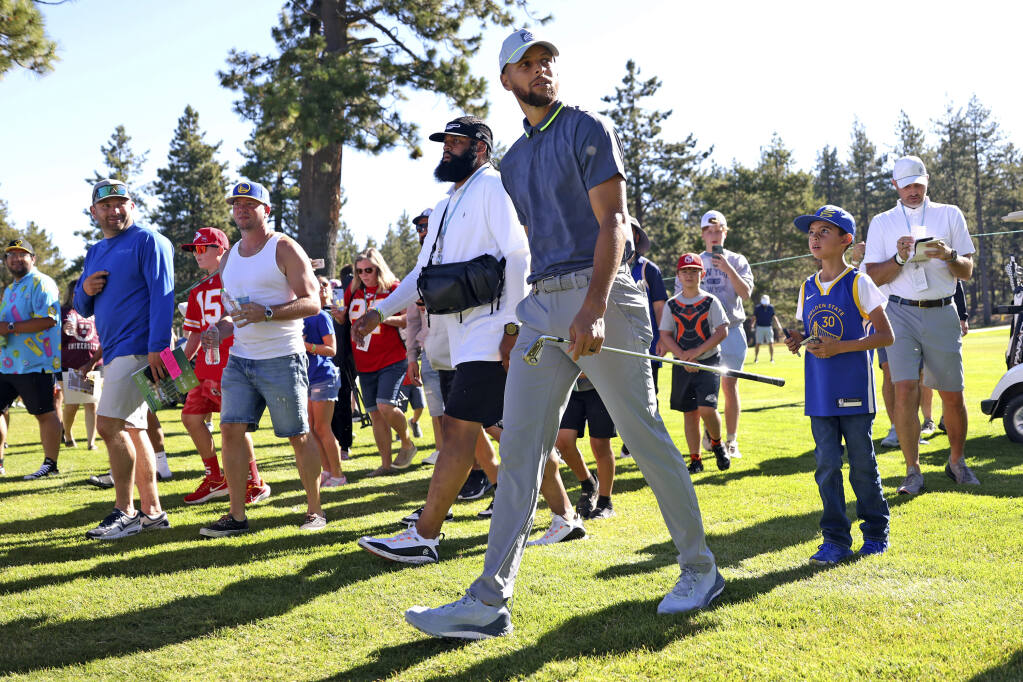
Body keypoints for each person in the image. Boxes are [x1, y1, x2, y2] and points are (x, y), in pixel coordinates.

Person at [401, 31, 722, 640]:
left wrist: (595, 306)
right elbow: (526, 248)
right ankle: (489, 599)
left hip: (603, 295)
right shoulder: (513, 162)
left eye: (547, 60)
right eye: (526, 64)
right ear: (507, 81)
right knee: (519, 450)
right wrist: (518, 317)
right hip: (541, 308)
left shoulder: (587, 128)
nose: (541, 70)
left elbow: (615, 222)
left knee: (642, 435)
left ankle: (699, 569)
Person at [354, 114, 536, 564]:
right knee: (504, 431)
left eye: (455, 143)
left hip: (491, 329)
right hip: (460, 332)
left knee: (459, 431)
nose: (445, 149)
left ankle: (425, 535)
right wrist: (380, 310)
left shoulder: (494, 187)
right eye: (444, 143)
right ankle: (566, 513)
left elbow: (518, 255)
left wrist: (515, 327)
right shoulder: (445, 203)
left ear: (480, 149)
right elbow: (422, 274)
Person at [198, 180, 325, 536]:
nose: (241, 209)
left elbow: (313, 302)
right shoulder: (230, 257)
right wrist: (218, 330)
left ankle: (315, 511)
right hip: (240, 359)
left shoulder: (283, 247)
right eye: (236, 204)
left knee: (298, 435)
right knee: (230, 430)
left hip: (282, 357)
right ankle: (237, 516)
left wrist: (267, 312)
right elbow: (234, 313)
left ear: (266, 210)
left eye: (249, 204)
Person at [784, 205, 893, 563]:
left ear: (845, 240)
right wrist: (799, 339)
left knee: (862, 465)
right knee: (827, 466)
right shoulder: (807, 287)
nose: (814, 238)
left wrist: (839, 348)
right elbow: (815, 331)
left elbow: (885, 335)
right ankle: (834, 539)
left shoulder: (859, 282)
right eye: (811, 232)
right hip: (819, 393)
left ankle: (875, 532)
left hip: (854, 392)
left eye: (823, 232)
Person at [863, 156, 978, 493]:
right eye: (907, 185)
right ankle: (912, 469)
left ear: (927, 182)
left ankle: (956, 461)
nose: (913, 191)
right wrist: (899, 258)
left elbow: (967, 271)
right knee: (903, 390)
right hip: (899, 311)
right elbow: (872, 276)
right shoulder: (882, 222)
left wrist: (950, 256)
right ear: (895, 185)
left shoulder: (949, 214)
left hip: (943, 309)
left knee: (952, 395)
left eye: (919, 184)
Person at [75, 179, 173, 539]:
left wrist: (158, 347)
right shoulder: (96, 250)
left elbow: (164, 296)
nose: (114, 210)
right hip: (115, 350)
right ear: (94, 212)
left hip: (139, 348)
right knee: (134, 428)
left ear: (132, 206)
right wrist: (83, 288)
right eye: (106, 205)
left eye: (121, 203)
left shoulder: (149, 240)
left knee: (108, 425)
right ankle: (152, 512)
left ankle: (125, 512)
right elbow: (83, 305)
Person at [178, 227, 270, 506]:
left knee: (233, 427)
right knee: (191, 418)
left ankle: (254, 482)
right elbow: (193, 335)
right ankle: (216, 477)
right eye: (194, 249)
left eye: (203, 247)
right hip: (204, 369)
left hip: (233, 365)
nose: (197, 254)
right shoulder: (197, 291)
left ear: (222, 250)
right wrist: (175, 370)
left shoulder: (239, 281)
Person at [338, 248, 415, 476]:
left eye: (368, 270)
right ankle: (385, 465)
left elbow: (407, 320)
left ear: (378, 268)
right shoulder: (353, 292)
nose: (363, 275)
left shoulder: (394, 289)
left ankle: (407, 441)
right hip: (363, 360)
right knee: (375, 414)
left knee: (385, 405)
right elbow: (349, 320)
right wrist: (341, 317)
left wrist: (380, 315)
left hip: (392, 358)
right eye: (359, 271)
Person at [659, 253, 730, 473]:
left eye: (694, 271)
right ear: (678, 275)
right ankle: (695, 459)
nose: (689, 275)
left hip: (708, 362)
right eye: (685, 271)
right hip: (683, 365)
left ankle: (717, 443)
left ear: (703, 274)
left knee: (707, 409)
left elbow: (722, 331)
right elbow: (665, 333)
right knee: (689, 413)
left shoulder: (710, 301)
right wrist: (683, 356)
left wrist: (697, 353)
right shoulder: (672, 304)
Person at [0, 238, 63, 480]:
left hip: (35, 362)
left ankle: (51, 465)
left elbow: (49, 319)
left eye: (22, 254)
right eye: (11, 255)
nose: (16, 258)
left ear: (33, 259)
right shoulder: (11, 289)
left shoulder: (42, 282)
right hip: (7, 364)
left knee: (44, 412)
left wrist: (11, 327)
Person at [696, 210, 753, 460]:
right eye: (709, 231)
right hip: (701, 334)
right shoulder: (695, 261)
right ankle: (710, 434)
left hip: (732, 331)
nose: (714, 236)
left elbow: (746, 293)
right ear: (702, 235)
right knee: (704, 389)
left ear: (725, 233)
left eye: (718, 230)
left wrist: (728, 268)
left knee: (730, 386)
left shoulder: (737, 260)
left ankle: (731, 440)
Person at [620, 216, 667, 458]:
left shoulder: (650, 269)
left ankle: (649, 442)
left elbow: (660, 307)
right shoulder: (609, 265)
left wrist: (662, 339)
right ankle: (630, 440)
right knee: (622, 394)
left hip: (647, 343)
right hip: (619, 343)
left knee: (649, 394)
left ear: (636, 236)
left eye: (629, 230)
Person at [554, 375, 617, 519]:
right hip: (569, 387)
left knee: (600, 444)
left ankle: (605, 503)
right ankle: (589, 484)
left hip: (600, 386)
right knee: (563, 442)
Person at [305, 276, 346, 487]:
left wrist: (307, 346)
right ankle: (327, 471)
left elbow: (332, 350)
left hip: (323, 377)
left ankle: (338, 474)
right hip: (308, 378)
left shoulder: (321, 316)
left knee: (322, 428)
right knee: (312, 428)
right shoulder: (301, 316)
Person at [57, 278, 101, 450]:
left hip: (93, 361)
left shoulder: (96, 310)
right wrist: (62, 330)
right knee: (73, 405)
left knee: (92, 402)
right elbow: (53, 339)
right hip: (71, 363)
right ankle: (67, 433)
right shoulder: (64, 311)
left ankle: (91, 443)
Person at [752, 295, 782, 363]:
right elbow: (754, 317)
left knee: (771, 343)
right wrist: (752, 325)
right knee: (758, 343)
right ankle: (756, 358)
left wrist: (778, 325)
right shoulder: (757, 308)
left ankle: (772, 359)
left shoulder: (771, 307)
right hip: (759, 327)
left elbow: (774, 317)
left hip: (768, 327)